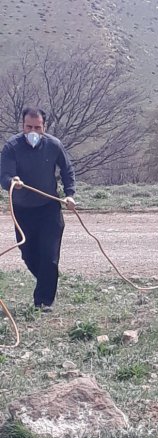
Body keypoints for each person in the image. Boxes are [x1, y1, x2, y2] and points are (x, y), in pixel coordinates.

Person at [0, 107, 76, 311]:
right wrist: (11, 181)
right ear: (22, 126)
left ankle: (44, 302)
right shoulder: (11, 147)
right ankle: (47, 282)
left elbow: (67, 169)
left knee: (49, 256)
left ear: (45, 127)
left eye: (37, 127)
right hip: (23, 210)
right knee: (28, 254)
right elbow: (4, 175)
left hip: (49, 208)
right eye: (28, 127)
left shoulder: (54, 145)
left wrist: (69, 194)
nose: (33, 131)